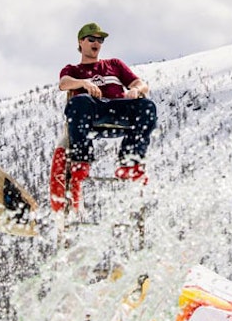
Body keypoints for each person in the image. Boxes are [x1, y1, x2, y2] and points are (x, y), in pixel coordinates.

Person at [55, 22, 157, 204]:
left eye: (100, 40)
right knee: (79, 101)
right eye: (92, 39)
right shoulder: (73, 70)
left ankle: (130, 161)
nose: (97, 43)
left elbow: (141, 84)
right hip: (92, 112)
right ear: (81, 42)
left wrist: (136, 90)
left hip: (119, 108)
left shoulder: (114, 64)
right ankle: (81, 160)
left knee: (147, 106)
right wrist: (83, 83)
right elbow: (63, 83)